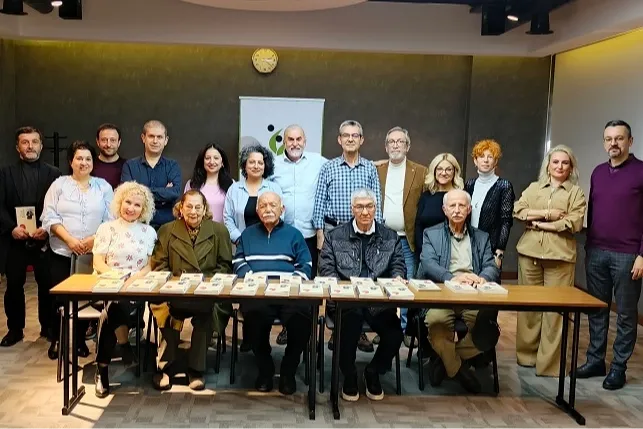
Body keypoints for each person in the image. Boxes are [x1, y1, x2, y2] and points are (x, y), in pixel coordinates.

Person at [319, 188, 405, 402]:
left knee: (395, 333)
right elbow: (327, 268)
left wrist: (397, 277)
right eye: (359, 207)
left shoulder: (390, 236)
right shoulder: (335, 235)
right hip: (346, 301)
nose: (365, 212)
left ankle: (373, 371)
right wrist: (342, 290)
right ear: (352, 209)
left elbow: (397, 265)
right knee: (348, 328)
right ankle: (349, 374)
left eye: (369, 206)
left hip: (379, 302)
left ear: (376, 208)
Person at [576, 120, 643, 390]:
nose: (613, 143)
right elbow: (593, 212)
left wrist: (642, 255)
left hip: (629, 255)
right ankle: (595, 360)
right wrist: (589, 245)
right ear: (604, 143)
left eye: (619, 138)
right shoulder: (598, 172)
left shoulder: (641, 172)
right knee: (597, 309)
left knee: (625, 314)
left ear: (630, 141)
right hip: (596, 252)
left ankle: (618, 368)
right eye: (608, 139)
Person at [513, 145, 586, 377]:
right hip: (529, 254)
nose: (559, 167)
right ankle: (526, 357)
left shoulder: (576, 193)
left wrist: (539, 224)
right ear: (548, 165)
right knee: (528, 308)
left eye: (565, 163)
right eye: (555, 162)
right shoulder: (534, 188)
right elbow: (518, 210)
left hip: (560, 258)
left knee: (555, 313)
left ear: (571, 167)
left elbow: (573, 223)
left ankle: (549, 365)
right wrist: (548, 215)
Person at [150, 190, 233, 391]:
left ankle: (196, 370)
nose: (193, 211)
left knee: (207, 314)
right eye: (188, 206)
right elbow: (159, 265)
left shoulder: (219, 231)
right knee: (166, 312)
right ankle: (164, 367)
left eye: (198, 207)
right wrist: (176, 285)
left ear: (205, 209)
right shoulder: (166, 230)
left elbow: (225, 265)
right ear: (181, 208)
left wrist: (207, 285)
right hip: (174, 292)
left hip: (207, 293)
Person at [419, 189, 500, 393]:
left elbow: (491, 265)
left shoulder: (481, 237)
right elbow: (428, 263)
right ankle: (458, 369)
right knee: (436, 325)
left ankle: (444, 361)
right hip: (442, 295)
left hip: (473, 295)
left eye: (461, 205)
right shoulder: (431, 234)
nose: (456, 210)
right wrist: (452, 277)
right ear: (444, 209)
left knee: (486, 332)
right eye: (452, 206)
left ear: (469, 209)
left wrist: (483, 277)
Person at [312, 120, 383, 353]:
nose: (350, 139)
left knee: (360, 278)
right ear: (339, 140)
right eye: (346, 135)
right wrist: (320, 233)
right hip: (334, 233)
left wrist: (378, 234)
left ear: (361, 140)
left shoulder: (369, 168)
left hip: (363, 233)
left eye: (355, 135)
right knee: (335, 281)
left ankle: (356, 330)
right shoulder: (328, 167)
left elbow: (377, 203)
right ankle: (339, 329)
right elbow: (319, 201)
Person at [232, 191, 312, 394]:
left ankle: (288, 370)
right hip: (258, 293)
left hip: (289, 294)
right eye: (263, 206)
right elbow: (238, 261)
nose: (268, 209)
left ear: (282, 209)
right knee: (253, 318)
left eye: (273, 205)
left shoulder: (294, 234)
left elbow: (306, 264)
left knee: (302, 317)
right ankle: (265, 369)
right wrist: (252, 278)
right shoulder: (247, 234)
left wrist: (291, 283)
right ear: (257, 210)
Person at [41, 140, 114, 360]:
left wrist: (92, 240)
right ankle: (57, 339)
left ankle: (80, 340)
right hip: (62, 251)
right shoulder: (59, 185)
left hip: (93, 254)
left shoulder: (103, 187)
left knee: (86, 297)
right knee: (60, 298)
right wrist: (70, 240)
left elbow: (110, 218)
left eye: (88, 159)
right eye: (79, 158)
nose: (84, 162)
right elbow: (49, 216)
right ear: (71, 161)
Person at [92, 182, 157, 398]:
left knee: (111, 312)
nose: (131, 208)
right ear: (119, 202)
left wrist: (134, 279)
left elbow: (149, 266)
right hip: (108, 284)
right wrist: (117, 279)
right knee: (114, 305)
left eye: (137, 205)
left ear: (143, 209)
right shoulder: (106, 228)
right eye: (128, 202)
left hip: (137, 287)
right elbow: (98, 262)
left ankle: (102, 368)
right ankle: (123, 345)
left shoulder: (149, 232)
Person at [0, 126, 61, 347]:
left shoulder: (54, 174)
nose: (30, 146)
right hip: (15, 239)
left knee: (47, 284)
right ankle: (15, 329)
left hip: (43, 237)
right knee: (14, 286)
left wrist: (46, 228)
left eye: (34, 142)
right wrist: (11, 228)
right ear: (18, 147)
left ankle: (48, 327)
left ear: (41, 146)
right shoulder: (5, 173)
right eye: (25, 142)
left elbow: (59, 206)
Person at [270, 124, 326, 345]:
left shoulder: (318, 162)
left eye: (298, 139)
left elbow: (343, 163)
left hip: (308, 235)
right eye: (290, 139)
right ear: (284, 142)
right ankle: (288, 327)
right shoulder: (273, 164)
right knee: (285, 281)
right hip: (281, 235)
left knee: (307, 284)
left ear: (305, 141)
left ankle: (307, 331)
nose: (295, 143)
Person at [223, 143, 281, 352]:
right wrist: (240, 240)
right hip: (242, 248)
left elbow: (281, 215)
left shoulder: (273, 188)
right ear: (244, 165)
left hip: (269, 248)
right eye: (251, 162)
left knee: (266, 292)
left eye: (260, 162)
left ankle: (260, 338)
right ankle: (249, 337)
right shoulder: (234, 189)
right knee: (247, 291)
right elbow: (228, 218)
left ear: (266, 166)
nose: (256, 166)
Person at [375, 126, 427, 345]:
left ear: (408, 146)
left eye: (400, 141)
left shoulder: (421, 172)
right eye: (392, 142)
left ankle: (404, 328)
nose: (396, 145)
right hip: (381, 238)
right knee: (381, 281)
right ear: (386, 147)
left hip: (407, 239)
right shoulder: (376, 169)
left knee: (408, 283)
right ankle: (384, 328)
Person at [464, 139, 515, 271]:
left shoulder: (504, 186)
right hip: (467, 245)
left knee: (488, 281)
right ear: (475, 161)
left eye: (490, 157)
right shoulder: (469, 184)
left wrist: (499, 252)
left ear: (495, 161)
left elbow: (506, 222)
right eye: (481, 156)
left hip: (490, 248)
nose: (485, 160)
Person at [121, 120, 181, 229]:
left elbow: (174, 192)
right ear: (143, 138)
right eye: (151, 136)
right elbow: (128, 194)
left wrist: (141, 191)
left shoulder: (172, 166)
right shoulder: (130, 165)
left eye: (159, 137)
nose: (155, 141)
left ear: (166, 140)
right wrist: (164, 193)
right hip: (136, 227)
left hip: (167, 228)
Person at [415, 153, 464, 262]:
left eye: (448, 169)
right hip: (426, 254)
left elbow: (464, 228)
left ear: (455, 172)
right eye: (440, 169)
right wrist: (423, 251)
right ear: (434, 171)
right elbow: (418, 225)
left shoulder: (460, 196)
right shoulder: (426, 196)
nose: (443, 173)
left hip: (452, 256)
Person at [185, 143, 233, 222]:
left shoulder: (231, 185)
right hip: (197, 229)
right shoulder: (192, 184)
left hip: (223, 229)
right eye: (207, 158)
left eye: (216, 158)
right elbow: (186, 210)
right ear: (202, 161)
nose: (211, 162)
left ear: (222, 162)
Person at [93, 123, 126, 189]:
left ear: (119, 142)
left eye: (113, 140)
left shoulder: (128, 166)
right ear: (97, 142)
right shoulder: (89, 166)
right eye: (104, 140)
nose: (108, 145)